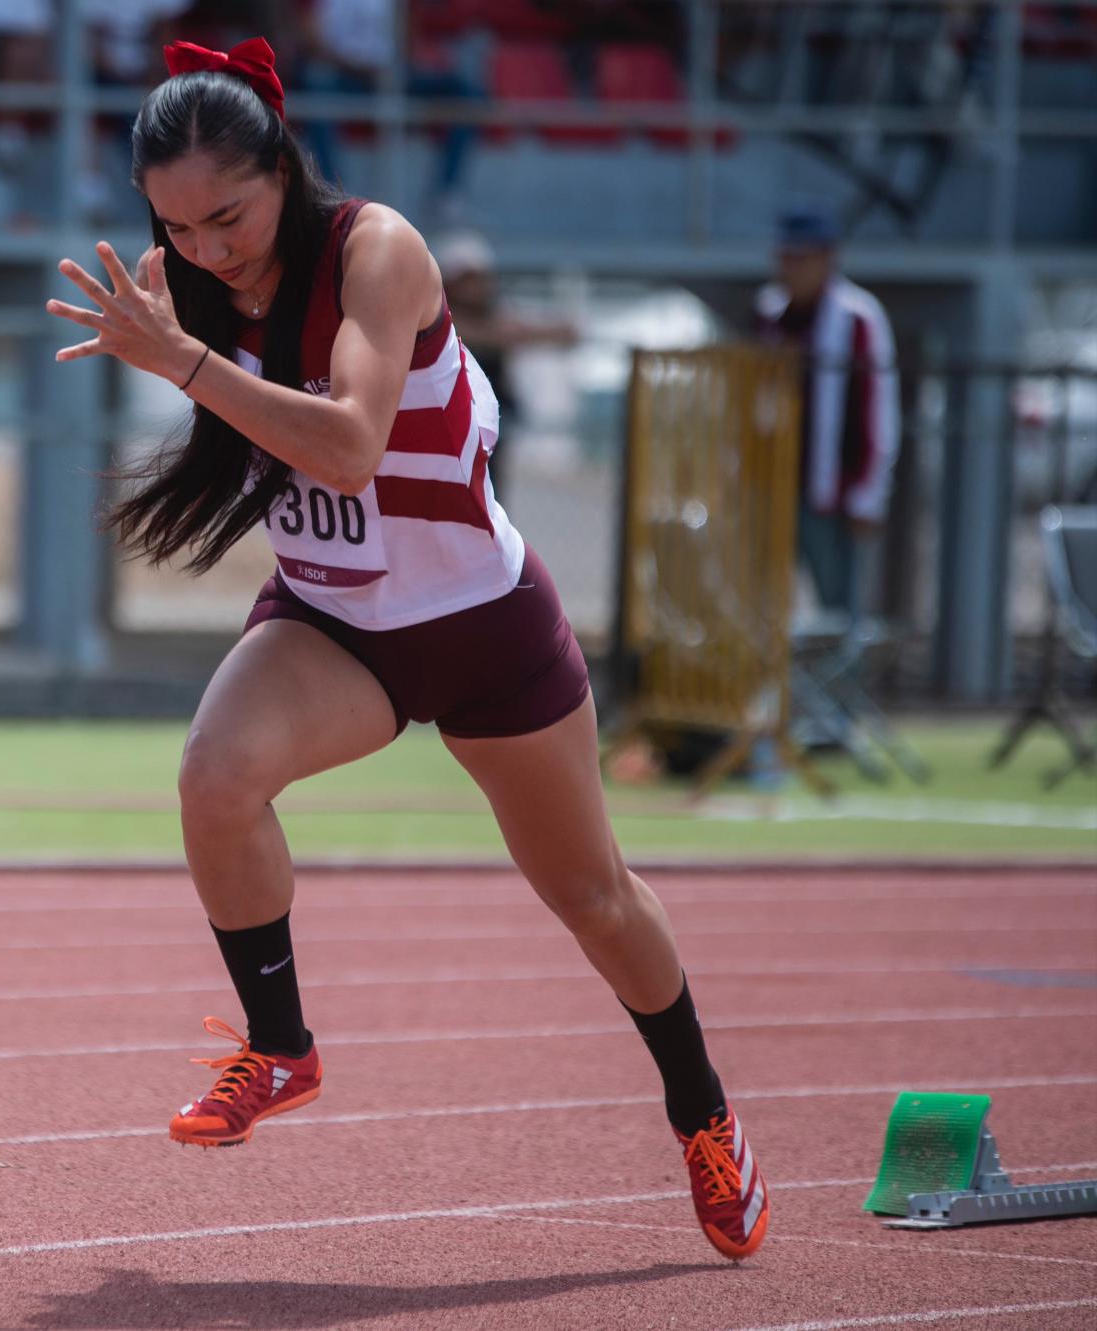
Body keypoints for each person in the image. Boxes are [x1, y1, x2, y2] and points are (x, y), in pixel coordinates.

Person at [44, 37, 769, 1262]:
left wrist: (179, 358)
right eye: (175, 228)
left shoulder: (376, 249)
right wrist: (189, 336)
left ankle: (701, 1111)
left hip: (483, 630)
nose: (206, 250)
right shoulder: (201, 288)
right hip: (336, 625)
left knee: (589, 894)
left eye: (225, 216)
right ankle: (279, 1047)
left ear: (282, 164)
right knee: (212, 777)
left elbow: (346, 445)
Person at [756, 206, 899, 617]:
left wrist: (868, 496)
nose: (791, 268)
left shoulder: (857, 317)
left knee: (839, 610)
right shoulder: (770, 312)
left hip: (834, 495)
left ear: (827, 258)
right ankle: (779, 685)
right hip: (775, 489)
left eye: (802, 258)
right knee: (766, 607)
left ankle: (840, 685)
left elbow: (878, 410)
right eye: (786, 257)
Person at [293, 0, 485, 218]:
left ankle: (447, 191)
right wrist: (355, 67)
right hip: (344, 75)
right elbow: (311, 38)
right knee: (315, 85)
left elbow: (405, 40)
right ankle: (331, 190)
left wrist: (389, 69)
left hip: (391, 75)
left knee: (466, 91)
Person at [435, 231, 575, 510]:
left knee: (489, 502)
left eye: (479, 278)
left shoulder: (494, 310)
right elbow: (482, 333)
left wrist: (521, 333)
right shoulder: (436, 316)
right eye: (466, 279)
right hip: (445, 427)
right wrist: (513, 334)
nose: (475, 287)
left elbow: (563, 333)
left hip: (487, 427)